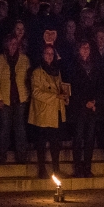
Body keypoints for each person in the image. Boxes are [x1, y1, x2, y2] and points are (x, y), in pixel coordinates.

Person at [29, 45, 68, 179]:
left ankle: (56, 170)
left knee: (55, 144)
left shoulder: (57, 71)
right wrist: (55, 96)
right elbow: (36, 92)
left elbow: (60, 88)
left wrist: (64, 97)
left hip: (55, 112)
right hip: (43, 113)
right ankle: (42, 170)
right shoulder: (37, 72)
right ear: (42, 54)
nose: (50, 56)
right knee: (41, 143)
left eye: (52, 54)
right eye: (47, 53)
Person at [0, 36, 30, 164]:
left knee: (20, 129)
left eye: (15, 43)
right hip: (5, 99)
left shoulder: (24, 59)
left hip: (20, 99)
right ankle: (1, 156)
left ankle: (22, 157)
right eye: (11, 43)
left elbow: (29, 79)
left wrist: (26, 95)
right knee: (4, 129)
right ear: (6, 44)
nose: (13, 45)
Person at [67, 40, 101, 178]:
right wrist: (83, 102)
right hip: (79, 108)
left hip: (92, 108)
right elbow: (72, 88)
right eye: (83, 47)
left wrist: (94, 101)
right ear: (78, 49)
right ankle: (78, 167)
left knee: (90, 138)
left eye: (88, 47)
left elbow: (99, 86)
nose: (86, 49)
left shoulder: (95, 66)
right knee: (78, 137)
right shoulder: (73, 66)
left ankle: (87, 166)